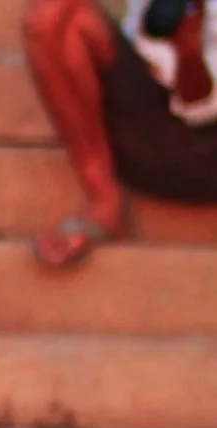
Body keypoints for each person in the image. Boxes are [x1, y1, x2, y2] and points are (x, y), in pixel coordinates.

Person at [26, 0, 217, 266]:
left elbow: (199, 108)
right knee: (55, 16)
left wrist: (188, 53)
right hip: (152, 131)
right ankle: (104, 199)